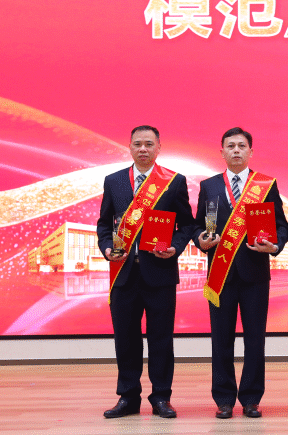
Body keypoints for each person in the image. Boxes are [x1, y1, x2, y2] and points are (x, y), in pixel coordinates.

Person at [96, 125, 195, 419]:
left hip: (160, 272)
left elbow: (187, 225)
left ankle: (161, 397)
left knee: (161, 339)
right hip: (123, 273)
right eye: (138, 143)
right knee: (125, 339)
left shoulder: (174, 182)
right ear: (129, 147)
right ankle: (128, 397)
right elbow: (103, 225)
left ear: (158, 148)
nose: (143, 149)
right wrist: (106, 248)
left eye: (149, 144)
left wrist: (175, 247)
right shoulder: (114, 181)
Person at [195, 127, 287, 419]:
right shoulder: (209, 185)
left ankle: (251, 398)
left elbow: (281, 226)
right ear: (221, 151)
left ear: (251, 151)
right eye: (230, 146)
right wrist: (200, 239)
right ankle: (223, 399)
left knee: (255, 340)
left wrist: (275, 245)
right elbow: (197, 225)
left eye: (241, 146)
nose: (236, 150)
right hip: (220, 275)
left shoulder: (266, 184)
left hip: (255, 275)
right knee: (221, 339)